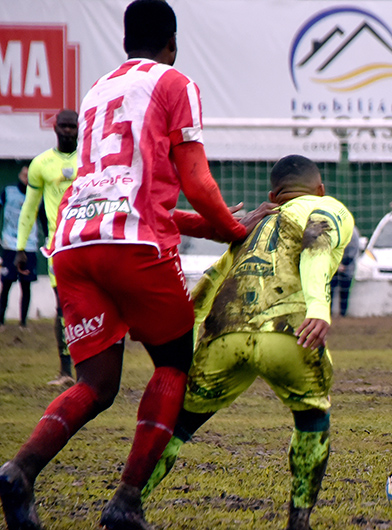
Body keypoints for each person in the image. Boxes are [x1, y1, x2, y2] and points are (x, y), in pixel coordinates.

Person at [0, 2, 268, 529]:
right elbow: (195, 181)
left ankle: (19, 471)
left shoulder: (97, 91)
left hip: (74, 246)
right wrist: (236, 232)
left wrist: (210, 227)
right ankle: (126, 502)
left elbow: (138, 196)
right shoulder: (174, 82)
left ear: (125, 42)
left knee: (96, 384)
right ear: (172, 41)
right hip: (132, 250)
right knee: (173, 364)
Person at [139, 155, 354, 530]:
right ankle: (299, 519)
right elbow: (316, 246)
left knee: (180, 426)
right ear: (320, 189)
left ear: (273, 194)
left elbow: (212, 278)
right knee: (312, 417)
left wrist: (181, 341)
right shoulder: (326, 207)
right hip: (289, 333)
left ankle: (129, 501)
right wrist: (319, 308)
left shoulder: (253, 224)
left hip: (225, 335)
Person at [16, 109, 79, 385]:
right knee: (64, 308)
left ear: (80, 128)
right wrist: (20, 247)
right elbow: (29, 208)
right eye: (63, 126)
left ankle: (94, 367)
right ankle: (66, 371)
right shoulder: (41, 163)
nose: (67, 131)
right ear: (55, 128)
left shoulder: (92, 159)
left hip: (90, 242)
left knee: (94, 307)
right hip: (59, 246)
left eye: (72, 126)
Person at [0, 166, 46, 331]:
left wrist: (47, 238)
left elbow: (43, 219)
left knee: (26, 286)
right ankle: (1, 321)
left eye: (30, 176)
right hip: (10, 245)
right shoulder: (8, 192)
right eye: (24, 175)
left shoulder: (38, 195)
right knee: (6, 284)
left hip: (29, 246)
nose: (26, 179)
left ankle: (23, 323)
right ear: (19, 175)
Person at [331, 225, 360, 316]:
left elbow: (353, 251)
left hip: (347, 268)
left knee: (344, 292)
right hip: (333, 266)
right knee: (330, 290)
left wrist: (343, 264)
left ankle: (343, 314)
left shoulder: (353, 232)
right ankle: (329, 313)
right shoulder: (333, 229)